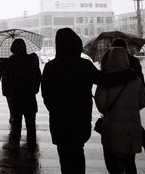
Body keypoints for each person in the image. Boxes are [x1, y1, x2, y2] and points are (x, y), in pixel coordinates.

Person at [41, 28, 102, 173]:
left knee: (65, 157)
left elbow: (46, 95)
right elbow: (102, 79)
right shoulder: (84, 65)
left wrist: (56, 110)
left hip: (59, 121)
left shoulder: (51, 67)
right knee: (78, 153)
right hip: (80, 119)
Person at [95, 46, 145, 173]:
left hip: (111, 130)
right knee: (130, 164)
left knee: (113, 166)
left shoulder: (105, 80)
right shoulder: (135, 79)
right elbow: (143, 102)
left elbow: (101, 107)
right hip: (131, 130)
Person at [106, 38, 145, 162]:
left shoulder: (108, 61)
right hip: (133, 97)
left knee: (117, 129)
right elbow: (140, 80)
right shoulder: (133, 60)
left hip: (115, 103)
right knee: (132, 124)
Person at [6, 39, 41, 150]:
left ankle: (15, 147)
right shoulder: (33, 58)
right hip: (30, 96)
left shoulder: (11, 61)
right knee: (31, 124)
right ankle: (31, 146)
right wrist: (35, 89)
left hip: (17, 97)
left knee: (17, 123)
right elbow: (38, 75)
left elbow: (9, 77)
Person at [0, 58, 14, 124]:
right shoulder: (21, 59)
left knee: (10, 101)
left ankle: (12, 115)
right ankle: (14, 115)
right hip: (17, 84)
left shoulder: (4, 60)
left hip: (7, 83)